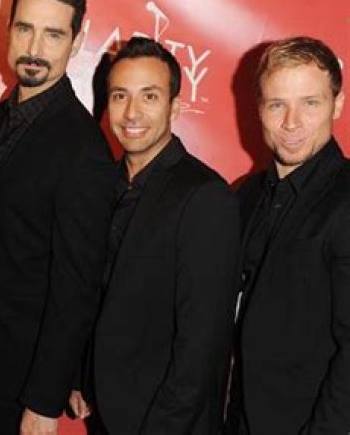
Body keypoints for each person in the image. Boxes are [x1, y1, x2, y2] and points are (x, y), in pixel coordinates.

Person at [0, 0, 116, 435]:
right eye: (25, 28)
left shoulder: (84, 150)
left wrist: (45, 399)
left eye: (53, 35)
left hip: (26, 378)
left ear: (77, 40)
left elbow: (78, 287)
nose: (34, 49)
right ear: (7, 27)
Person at [74, 36, 240, 434]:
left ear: (174, 107)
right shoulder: (103, 186)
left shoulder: (205, 196)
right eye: (120, 96)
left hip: (167, 421)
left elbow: (202, 344)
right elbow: (93, 292)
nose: (131, 112)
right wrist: (83, 374)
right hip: (107, 411)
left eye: (149, 96)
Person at [225, 37, 349, 434]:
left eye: (310, 103)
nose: (291, 122)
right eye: (277, 104)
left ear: (337, 105)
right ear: (259, 109)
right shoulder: (245, 197)